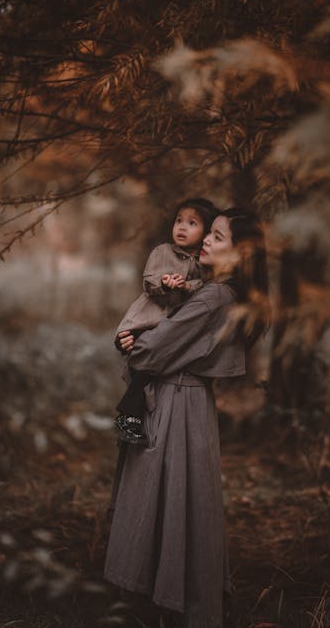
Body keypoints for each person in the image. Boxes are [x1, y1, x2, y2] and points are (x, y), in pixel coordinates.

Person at [104, 208, 269, 628]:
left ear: (241, 252)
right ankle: (169, 595)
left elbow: (152, 351)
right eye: (208, 233)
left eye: (217, 235)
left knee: (162, 493)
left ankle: (161, 599)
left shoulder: (213, 296)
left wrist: (136, 339)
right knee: (183, 497)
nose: (207, 241)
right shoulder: (220, 293)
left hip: (177, 402)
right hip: (192, 403)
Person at [114, 198, 218, 444]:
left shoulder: (203, 263)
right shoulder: (162, 251)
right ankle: (128, 417)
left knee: (148, 372)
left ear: (205, 233)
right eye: (179, 221)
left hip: (168, 327)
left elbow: (203, 287)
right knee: (141, 365)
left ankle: (131, 418)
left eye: (192, 223)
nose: (182, 227)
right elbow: (149, 280)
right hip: (148, 318)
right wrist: (165, 283)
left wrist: (187, 286)